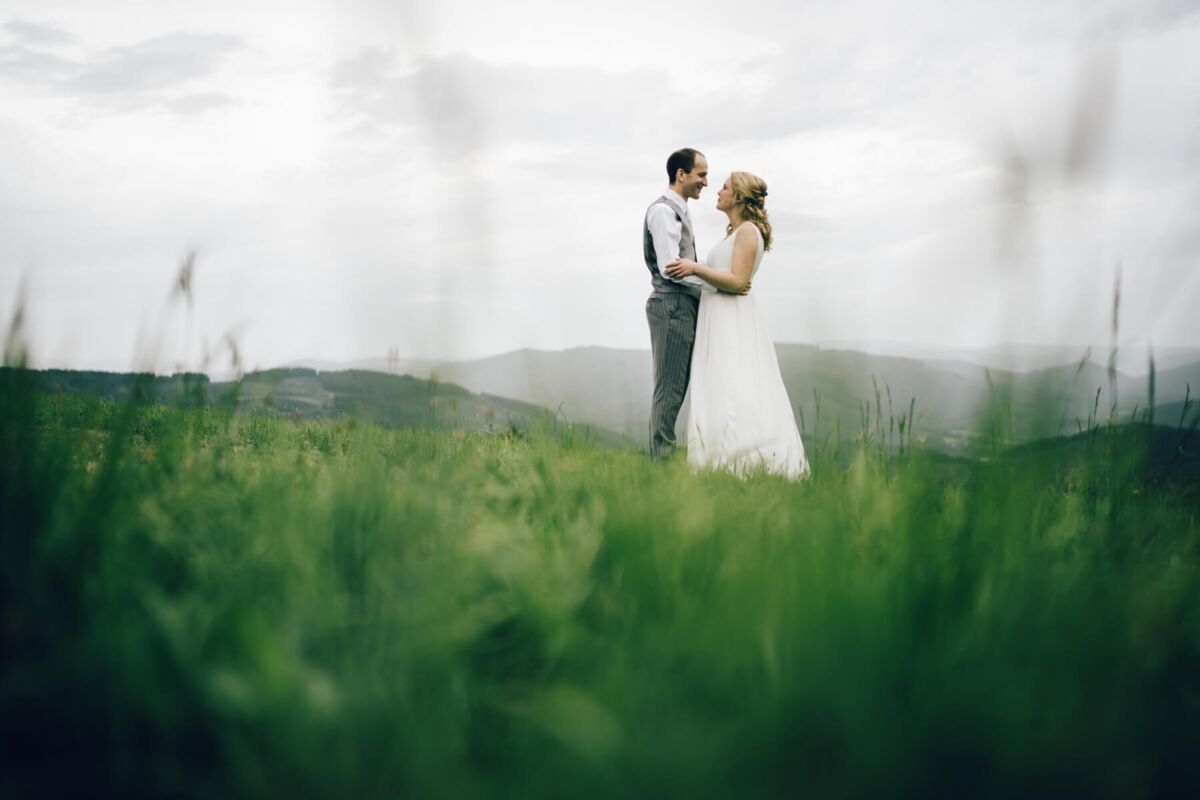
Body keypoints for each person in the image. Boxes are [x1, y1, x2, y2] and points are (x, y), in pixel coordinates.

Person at [664, 172, 810, 479]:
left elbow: (739, 281)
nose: (717, 191)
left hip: (731, 319)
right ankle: (718, 460)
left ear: (739, 196)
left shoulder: (747, 231)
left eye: (725, 187)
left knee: (733, 385)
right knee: (722, 383)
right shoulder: (735, 232)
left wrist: (694, 267)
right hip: (719, 316)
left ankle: (740, 463)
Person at [643, 148, 748, 459]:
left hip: (681, 306)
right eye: (701, 174)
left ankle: (664, 458)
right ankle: (661, 462)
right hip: (672, 306)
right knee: (670, 390)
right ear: (681, 174)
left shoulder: (679, 211)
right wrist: (719, 282)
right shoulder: (663, 212)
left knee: (676, 388)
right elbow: (671, 268)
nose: (706, 181)